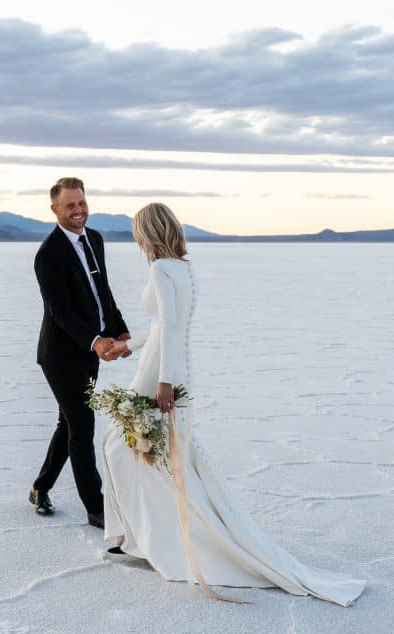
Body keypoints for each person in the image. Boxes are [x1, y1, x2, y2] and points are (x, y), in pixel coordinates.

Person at [102, 202, 366, 606]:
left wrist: (166, 383)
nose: (137, 238)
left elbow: (172, 328)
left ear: (148, 232)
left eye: (139, 230)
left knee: (128, 449)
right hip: (165, 363)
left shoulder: (161, 270)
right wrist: (128, 345)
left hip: (161, 373)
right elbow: (160, 328)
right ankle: (145, 535)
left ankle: (159, 541)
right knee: (149, 454)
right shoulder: (182, 267)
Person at [31, 177, 130, 528]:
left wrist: (118, 328)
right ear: (55, 208)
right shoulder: (48, 254)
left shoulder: (95, 240)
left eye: (81, 203)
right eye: (70, 205)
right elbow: (60, 312)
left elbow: (102, 290)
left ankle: (40, 487)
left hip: (89, 351)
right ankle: (96, 507)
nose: (78, 211)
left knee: (68, 423)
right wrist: (95, 341)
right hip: (61, 356)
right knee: (82, 424)